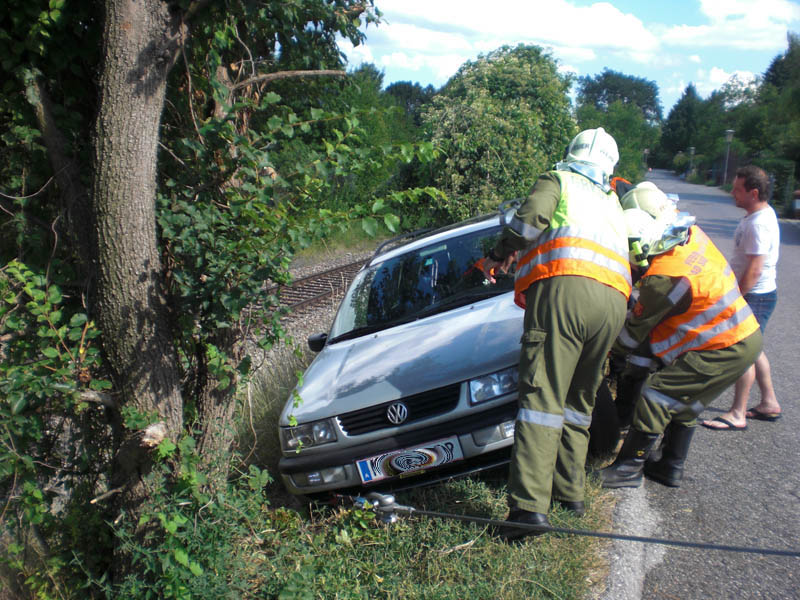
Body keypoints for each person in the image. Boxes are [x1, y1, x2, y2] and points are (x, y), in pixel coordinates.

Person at [481, 128, 632, 538]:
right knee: (579, 401)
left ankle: (528, 509)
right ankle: (571, 493)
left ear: (573, 153)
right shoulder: (610, 200)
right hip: (614, 300)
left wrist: (499, 252)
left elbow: (530, 221)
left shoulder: (558, 179)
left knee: (542, 397)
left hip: (567, 289)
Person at [600, 183, 763, 489]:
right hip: (741, 337)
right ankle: (669, 466)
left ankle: (628, 468)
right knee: (684, 401)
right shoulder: (690, 235)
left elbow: (631, 338)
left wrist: (601, 343)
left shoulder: (665, 275)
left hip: (724, 345)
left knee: (656, 394)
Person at [701, 165, 781, 430]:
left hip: (754, 295)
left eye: (737, 189)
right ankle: (769, 402)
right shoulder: (758, 215)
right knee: (755, 350)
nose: (732, 193)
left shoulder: (758, 224)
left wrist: (737, 298)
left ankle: (737, 413)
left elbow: (755, 269)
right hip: (760, 294)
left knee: (742, 351)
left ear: (753, 192)